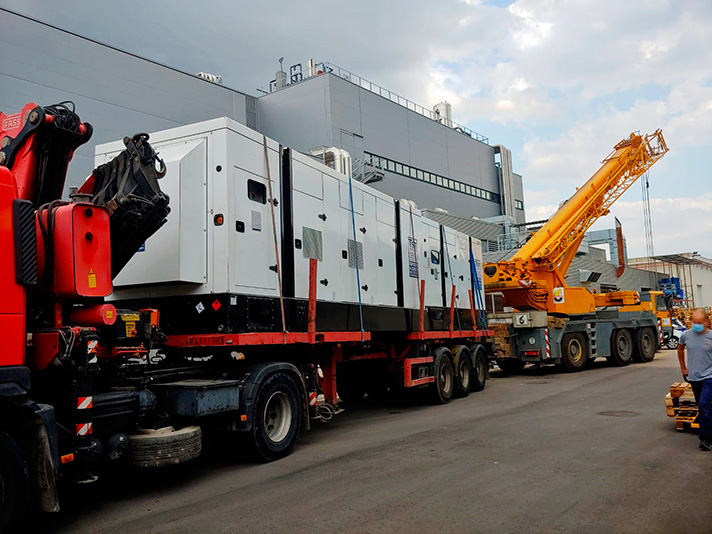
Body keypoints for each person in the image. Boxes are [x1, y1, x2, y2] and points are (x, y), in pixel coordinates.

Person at [678, 308, 712, 450]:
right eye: (694, 322)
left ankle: (705, 439)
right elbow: (680, 349)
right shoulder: (685, 335)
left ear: (706, 322)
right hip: (693, 377)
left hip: (709, 376)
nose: (697, 325)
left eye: (700, 322)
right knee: (702, 404)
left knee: (704, 404)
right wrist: (683, 368)